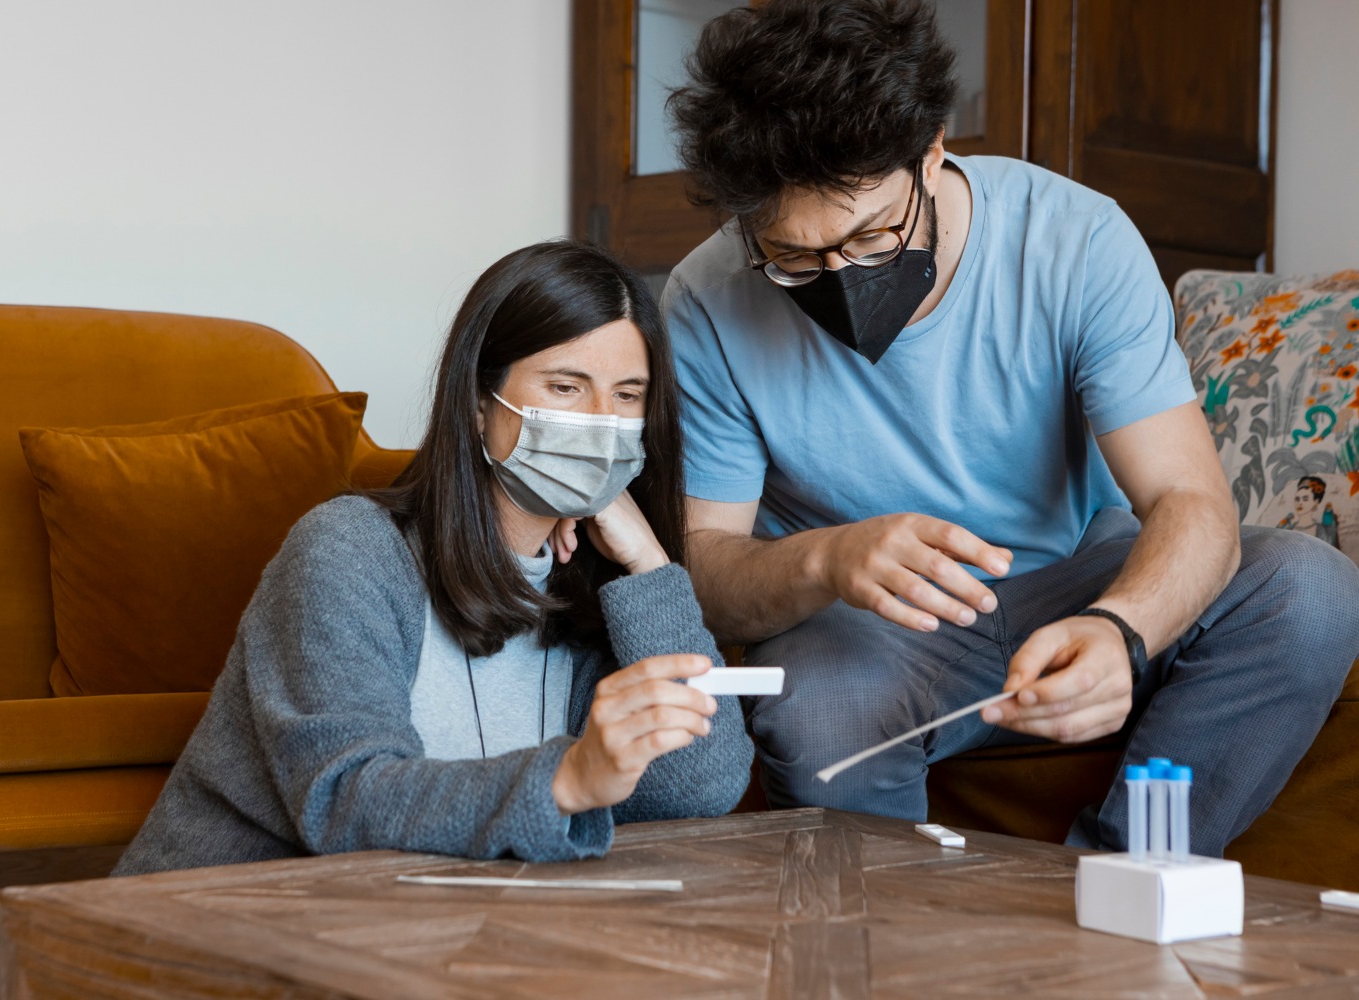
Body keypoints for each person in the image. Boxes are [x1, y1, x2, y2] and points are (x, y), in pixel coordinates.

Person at [661, 0, 1359, 856]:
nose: (840, 277)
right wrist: (828, 558)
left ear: (932, 151)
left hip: (1076, 580)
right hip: (874, 632)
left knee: (1308, 589)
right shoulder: (706, 297)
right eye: (795, 258)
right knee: (819, 701)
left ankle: (1114, 883)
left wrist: (1121, 629)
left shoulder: (1077, 239)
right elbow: (705, 571)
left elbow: (1187, 497)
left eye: (875, 235)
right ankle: (902, 953)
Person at [115, 240, 752, 875]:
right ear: (479, 405)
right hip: (212, 921)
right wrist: (569, 778)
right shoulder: (348, 551)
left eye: (627, 396)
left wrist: (647, 565)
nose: (599, 423)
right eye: (566, 386)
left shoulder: (594, 587)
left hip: (410, 929)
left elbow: (699, 790)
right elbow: (345, 802)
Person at [1278, 476, 1340, 548]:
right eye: (1297, 499)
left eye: (1305, 499)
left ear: (1316, 502)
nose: (1300, 503)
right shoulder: (1287, 529)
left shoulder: (1323, 531)